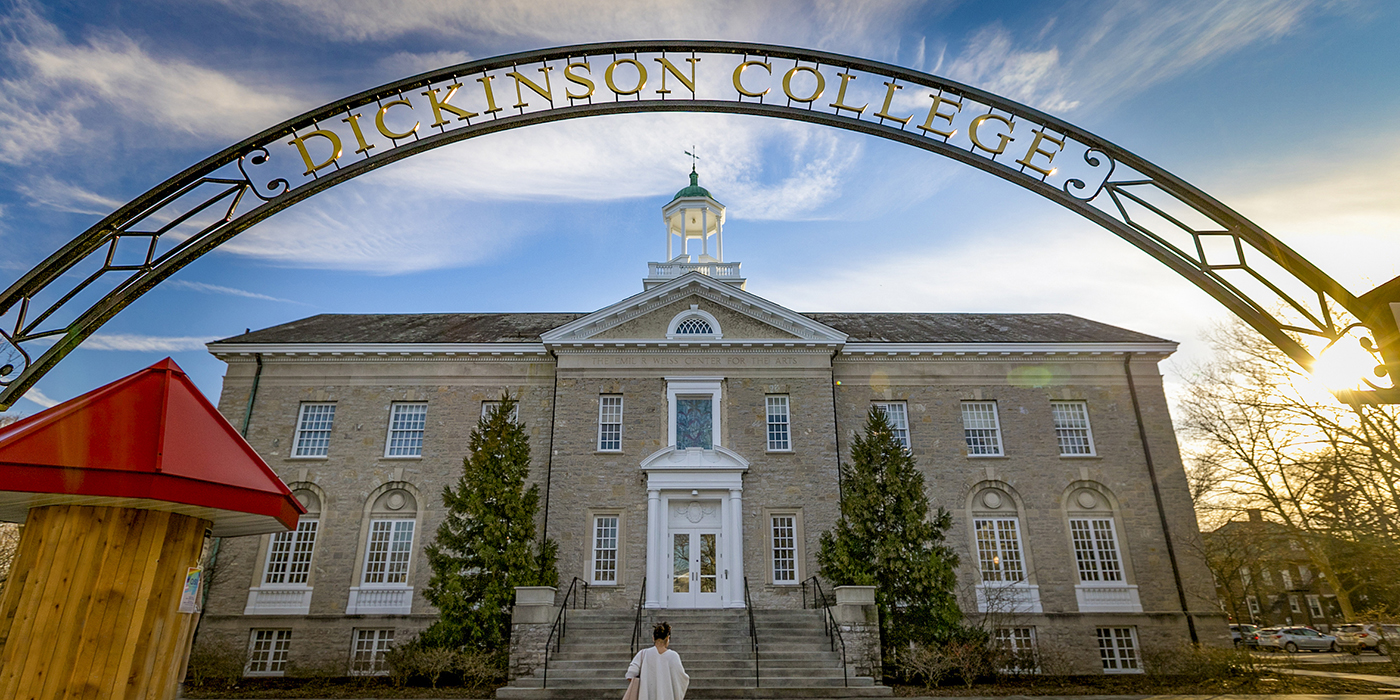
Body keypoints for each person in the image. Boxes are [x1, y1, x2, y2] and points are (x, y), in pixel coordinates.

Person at [625, 621, 689, 700]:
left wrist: (645, 685)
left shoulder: (643, 654)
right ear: (667, 638)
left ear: (653, 638)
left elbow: (630, 674)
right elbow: (683, 679)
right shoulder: (674, 656)